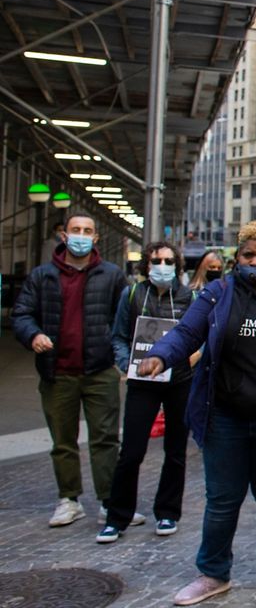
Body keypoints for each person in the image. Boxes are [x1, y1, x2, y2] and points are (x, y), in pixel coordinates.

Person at [138, 221, 256, 605]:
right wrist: (160, 356)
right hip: (225, 414)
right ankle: (212, 572)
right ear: (237, 257)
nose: (255, 262)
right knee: (221, 499)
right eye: (248, 255)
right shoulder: (218, 292)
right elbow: (186, 332)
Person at [13, 212, 127, 527]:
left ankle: (109, 502)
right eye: (75, 229)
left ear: (95, 238)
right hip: (56, 371)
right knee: (63, 440)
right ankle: (69, 499)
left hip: (100, 370)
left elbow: (124, 319)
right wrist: (32, 334)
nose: (80, 235)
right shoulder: (41, 276)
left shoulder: (112, 275)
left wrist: (121, 358)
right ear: (64, 236)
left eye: (87, 230)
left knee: (105, 438)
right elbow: (22, 313)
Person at [97, 241, 197, 543]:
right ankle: (117, 516)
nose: (162, 266)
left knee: (176, 451)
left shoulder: (189, 297)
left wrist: (194, 358)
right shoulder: (132, 295)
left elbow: (201, 335)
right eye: (157, 260)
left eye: (168, 261)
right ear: (146, 264)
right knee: (131, 451)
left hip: (179, 381)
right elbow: (118, 336)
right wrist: (125, 366)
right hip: (142, 383)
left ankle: (168, 512)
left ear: (177, 266)